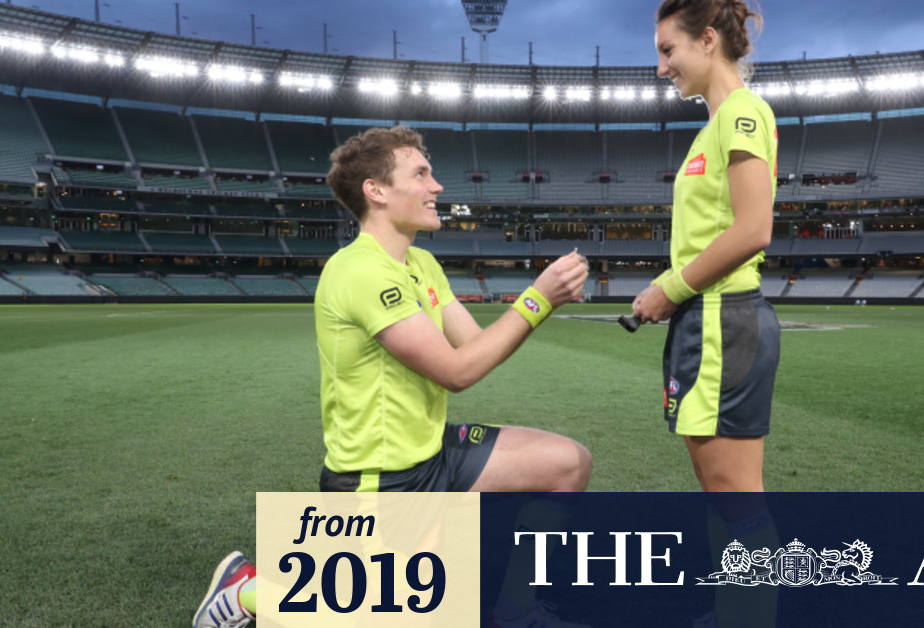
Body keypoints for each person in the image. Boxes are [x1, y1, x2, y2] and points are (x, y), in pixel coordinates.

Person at [194, 125, 592, 628]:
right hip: (379, 483)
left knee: (568, 463)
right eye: (421, 174)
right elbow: (455, 372)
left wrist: (542, 303)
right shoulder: (359, 271)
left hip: (434, 454)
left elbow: (473, 347)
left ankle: (517, 607)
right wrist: (537, 300)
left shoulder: (421, 263)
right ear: (376, 191)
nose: (437, 187)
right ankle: (246, 594)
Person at [633, 0, 781, 493]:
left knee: (733, 492)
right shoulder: (713, 126)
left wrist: (671, 288)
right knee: (720, 489)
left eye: (668, 49)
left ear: (708, 40)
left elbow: (754, 227)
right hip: (705, 317)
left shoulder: (743, 112)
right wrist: (671, 287)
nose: (661, 68)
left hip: (723, 317)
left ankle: (756, 574)